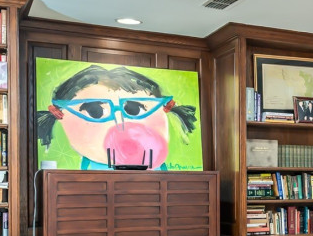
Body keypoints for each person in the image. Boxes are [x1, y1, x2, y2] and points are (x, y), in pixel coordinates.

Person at [36, 65, 198, 169]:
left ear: (165, 108)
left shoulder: (160, 171)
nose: (120, 124)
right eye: (95, 111)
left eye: (135, 108)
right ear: (59, 114)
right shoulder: (87, 173)